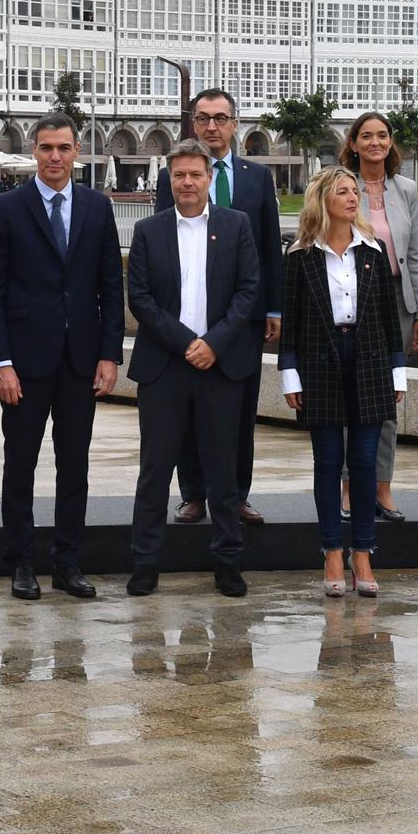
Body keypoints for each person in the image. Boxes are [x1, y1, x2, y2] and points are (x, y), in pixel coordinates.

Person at [0, 113, 124, 601]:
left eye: (63, 147)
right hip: (23, 361)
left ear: (77, 151)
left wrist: (109, 354)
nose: (54, 157)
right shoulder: (7, 209)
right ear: (34, 152)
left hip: (80, 360)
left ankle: (68, 561)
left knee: (74, 464)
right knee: (19, 464)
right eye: (45, 148)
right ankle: (20, 561)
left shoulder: (97, 208)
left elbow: (110, 285)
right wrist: (0, 362)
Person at [126, 141, 262, 598]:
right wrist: (189, 343)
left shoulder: (237, 225)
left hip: (221, 366)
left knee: (223, 472)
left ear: (209, 178)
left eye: (195, 175)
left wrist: (213, 344)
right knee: (155, 470)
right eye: (179, 175)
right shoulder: (148, 230)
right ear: (169, 178)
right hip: (165, 366)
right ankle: (145, 563)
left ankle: (228, 562)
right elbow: (140, 299)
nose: (187, 183)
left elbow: (248, 292)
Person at [153, 89, 281, 526]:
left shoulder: (257, 178)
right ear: (194, 124)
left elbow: (269, 248)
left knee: (239, 413)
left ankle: (237, 494)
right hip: (187, 318)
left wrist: (274, 309)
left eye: (220, 118)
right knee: (188, 413)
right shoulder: (173, 177)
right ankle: (193, 495)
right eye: (204, 118)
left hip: (241, 316)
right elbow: (160, 244)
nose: (212, 126)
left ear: (234, 124)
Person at [279, 166, 407, 598]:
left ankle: (364, 553)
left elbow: (391, 320)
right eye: (343, 191)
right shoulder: (300, 256)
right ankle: (333, 550)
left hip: (369, 360)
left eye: (355, 191)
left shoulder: (373, 249)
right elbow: (291, 324)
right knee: (328, 462)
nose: (353, 198)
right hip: (319, 363)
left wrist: (397, 370)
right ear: (322, 199)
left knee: (366, 463)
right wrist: (290, 375)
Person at [338, 111, 418, 525]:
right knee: (347, 395)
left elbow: (415, 254)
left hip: (397, 302)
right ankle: (347, 484)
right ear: (353, 143)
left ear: (391, 143)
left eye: (383, 135)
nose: (375, 142)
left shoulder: (406, 189)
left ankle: (382, 485)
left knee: (389, 395)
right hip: (352, 300)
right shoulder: (338, 184)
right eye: (367, 136)